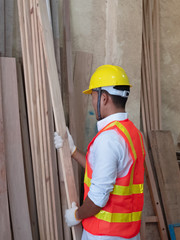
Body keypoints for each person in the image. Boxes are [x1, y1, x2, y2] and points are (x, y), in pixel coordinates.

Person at [54, 65, 145, 240]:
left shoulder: (109, 139)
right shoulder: (133, 133)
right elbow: (108, 173)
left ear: (104, 98)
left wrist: (76, 215)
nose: (91, 101)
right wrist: (73, 151)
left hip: (105, 234)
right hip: (129, 233)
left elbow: (98, 197)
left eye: (92, 96)